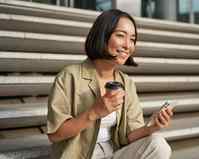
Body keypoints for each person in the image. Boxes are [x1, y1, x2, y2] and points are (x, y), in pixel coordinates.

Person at [47, 9, 173, 159]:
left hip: (113, 154)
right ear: (103, 36)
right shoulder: (70, 76)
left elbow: (129, 136)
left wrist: (151, 127)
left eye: (132, 39)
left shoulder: (126, 83)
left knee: (158, 144)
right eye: (120, 35)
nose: (128, 45)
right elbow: (55, 134)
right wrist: (94, 112)